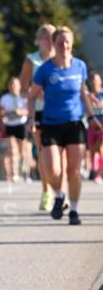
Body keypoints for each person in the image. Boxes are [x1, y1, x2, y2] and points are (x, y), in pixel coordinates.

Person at [29, 26, 102, 225]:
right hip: (51, 124)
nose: (65, 46)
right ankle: (59, 195)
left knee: (73, 170)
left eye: (67, 42)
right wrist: (30, 118)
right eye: (60, 42)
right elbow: (31, 95)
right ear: (54, 44)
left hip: (75, 123)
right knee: (52, 169)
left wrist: (92, 117)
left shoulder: (80, 66)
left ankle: (75, 210)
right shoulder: (45, 69)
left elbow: (82, 93)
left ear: (72, 44)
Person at [20, 24, 56, 209]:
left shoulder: (61, 60)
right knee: (43, 152)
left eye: (51, 36)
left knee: (60, 154)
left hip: (60, 111)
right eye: (44, 36)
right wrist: (36, 92)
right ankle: (46, 191)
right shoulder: (31, 60)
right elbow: (22, 90)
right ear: (38, 39)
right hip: (39, 111)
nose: (48, 40)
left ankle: (60, 191)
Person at [0, 76, 29, 182]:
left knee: (22, 151)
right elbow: (1, 113)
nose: (13, 87)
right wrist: (4, 115)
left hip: (21, 124)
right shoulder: (4, 98)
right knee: (12, 150)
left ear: (19, 86)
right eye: (11, 84)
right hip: (10, 125)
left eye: (15, 84)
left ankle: (24, 171)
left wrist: (20, 112)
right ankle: (14, 172)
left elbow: (29, 111)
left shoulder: (24, 97)